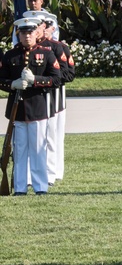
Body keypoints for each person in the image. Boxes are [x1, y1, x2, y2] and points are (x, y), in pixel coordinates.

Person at [0, 17, 61, 195]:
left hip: (38, 108)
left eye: (30, 33)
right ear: (18, 35)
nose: (27, 36)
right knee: (19, 151)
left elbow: (57, 79)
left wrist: (36, 80)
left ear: (36, 33)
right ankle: (19, 187)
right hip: (16, 111)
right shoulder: (11, 55)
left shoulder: (47, 53)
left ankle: (40, 186)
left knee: (38, 150)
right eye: (23, 33)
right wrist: (13, 84)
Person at [30, 11, 74, 184]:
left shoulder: (57, 47)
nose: (41, 30)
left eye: (42, 26)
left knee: (53, 137)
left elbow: (68, 74)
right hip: (34, 98)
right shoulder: (28, 49)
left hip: (55, 98)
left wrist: (46, 80)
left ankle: (53, 172)